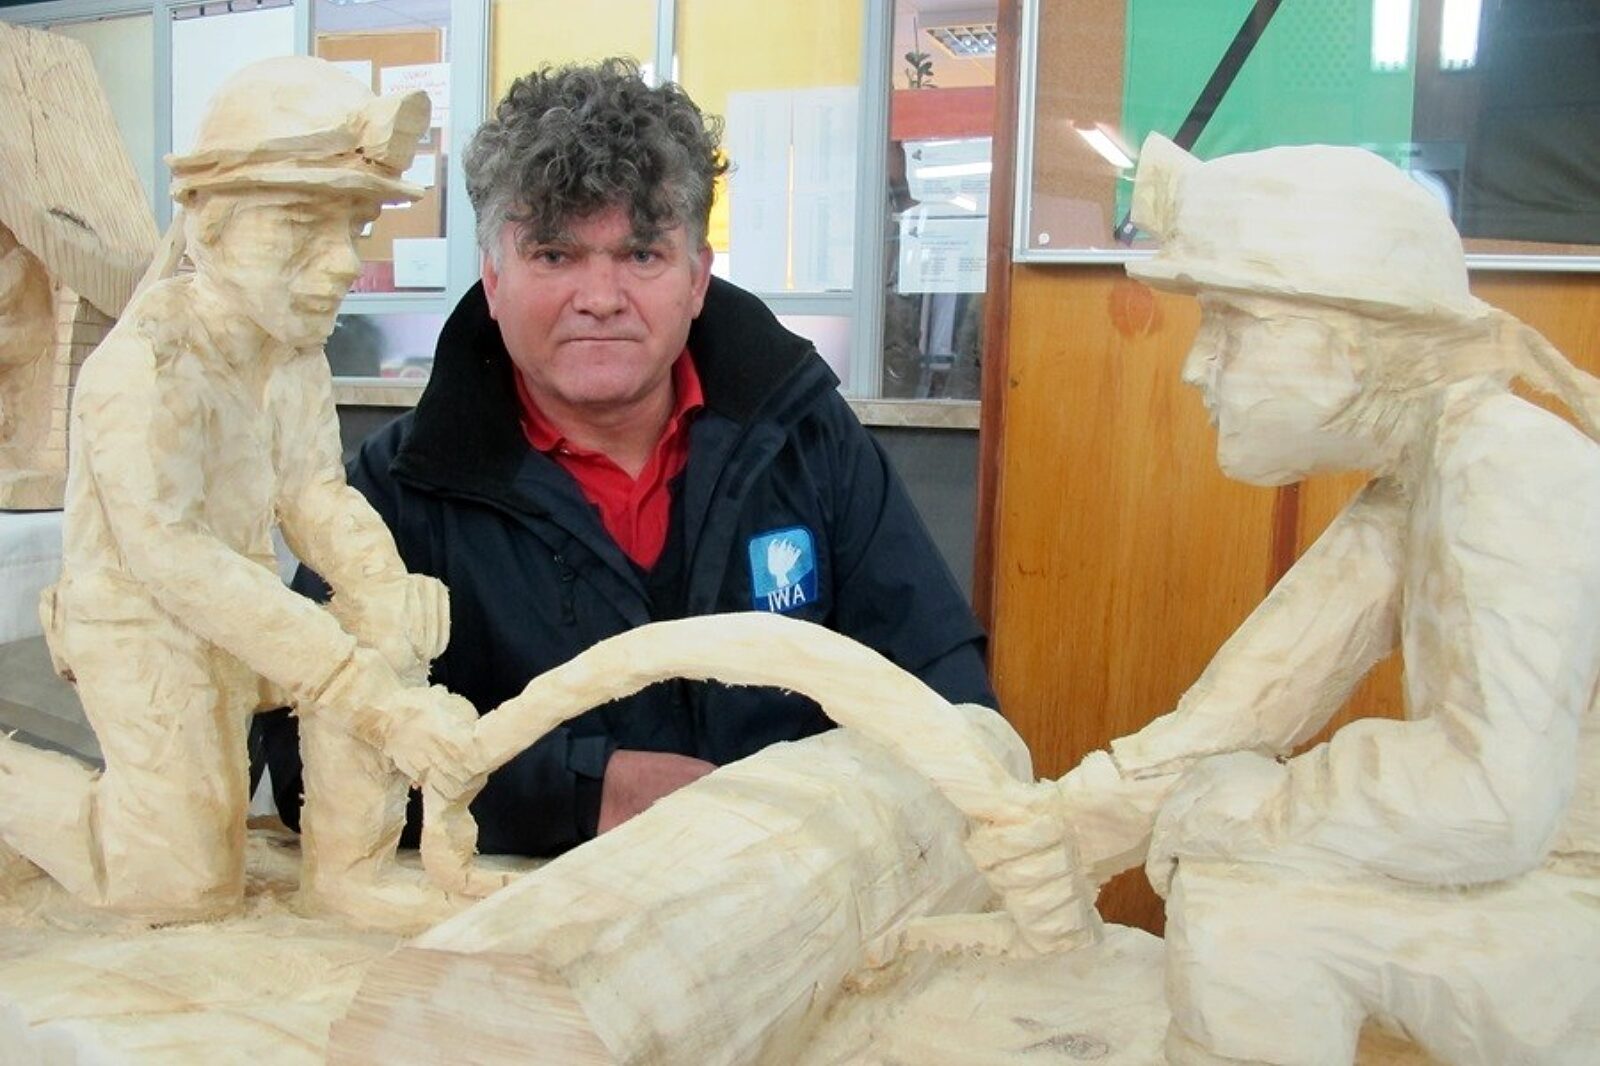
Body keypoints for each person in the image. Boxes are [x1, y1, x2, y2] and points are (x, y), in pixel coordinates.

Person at [255, 58, 996, 858]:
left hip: (802, 889)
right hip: (528, 918)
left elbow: (947, 693)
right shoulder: (398, 491)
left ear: (697, 278)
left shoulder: (807, 439)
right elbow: (305, 763)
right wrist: (582, 792)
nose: (601, 298)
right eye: (555, 255)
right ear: (494, 279)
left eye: (641, 254)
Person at [966, 135, 1600, 1064]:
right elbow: (1261, 693)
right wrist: (1074, 823)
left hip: (1575, 898)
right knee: (1232, 875)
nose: (1197, 366)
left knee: (1247, 913)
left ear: (1349, 342)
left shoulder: (1510, 470)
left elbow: (1491, 800)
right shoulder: (1424, 472)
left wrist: (1250, 807)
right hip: (1541, 881)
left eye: (1231, 324)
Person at [0, 57, 479, 924]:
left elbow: (316, 493)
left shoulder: (292, 358)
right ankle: (16, 792)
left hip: (243, 605)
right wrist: (353, 681)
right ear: (208, 226)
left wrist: (382, 585)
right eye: (300, 226)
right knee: (184, 888)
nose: (343, 263)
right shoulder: (145, 367)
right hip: (145, 625)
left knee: (386, 615)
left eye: (356, 226)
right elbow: (171, 559)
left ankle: (348, 873)